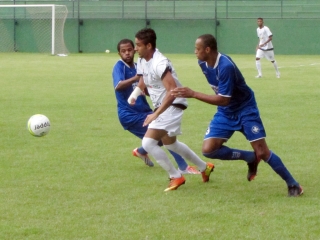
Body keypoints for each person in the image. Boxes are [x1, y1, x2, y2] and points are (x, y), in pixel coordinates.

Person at [171, 34, 303, 197]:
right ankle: (249, 157)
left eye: (197, 49)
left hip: (245, 109)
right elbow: (223, 100)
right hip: (226, 112)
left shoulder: (226, 66)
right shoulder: (203, 63)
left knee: (262, 151)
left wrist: (193, 93)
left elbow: (224, 99)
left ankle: (293, 184)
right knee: (209, 150)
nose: (194, 52)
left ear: (207, 49)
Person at [128, 28, 214, 191]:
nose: (135, 48)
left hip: (172, 103)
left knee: (148, 142)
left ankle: (176, 176)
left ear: (149, 45)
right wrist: (134, 95)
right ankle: (204, 167)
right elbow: (142, 81)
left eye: (138, 45)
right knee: (171, 144)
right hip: (164, 105)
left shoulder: (160, 62)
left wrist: (156, 114)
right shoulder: (142, 60)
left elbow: (173, 91)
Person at [112, 38, 199, 174]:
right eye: (123, 51)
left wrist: (146, 89)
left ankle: (141, 151)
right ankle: (182, 167)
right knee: (162, 137)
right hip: (129, 114)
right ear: (119, 53)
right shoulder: (119, 66)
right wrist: (137, 79)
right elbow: (118, 86)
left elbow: (145, 85)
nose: (127, 53)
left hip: (144, 110)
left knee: (158, 138)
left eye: (130, 49)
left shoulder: (139, 65)